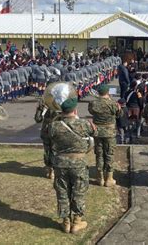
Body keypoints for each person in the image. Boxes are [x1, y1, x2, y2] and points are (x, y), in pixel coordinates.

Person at [48, 97, 96, 234]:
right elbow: (94, 133)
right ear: (75, 110)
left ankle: (66, 222)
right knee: (79, 191)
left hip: (60, 163)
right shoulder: (84, 124)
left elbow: (49, 136)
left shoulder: (54, 125)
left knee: (62, 192)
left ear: (61, 111)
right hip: (79, 164)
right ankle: (77, 222)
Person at [88, 84, 122, 187]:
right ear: (108, 92)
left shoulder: (93, 103)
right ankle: (109, 178)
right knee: (109, 154)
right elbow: (120, 115)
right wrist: (119, 109)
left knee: (99, 154)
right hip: (109, 132)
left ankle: (100, 177)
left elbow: (91, 111)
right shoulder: (113, 104)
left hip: (97, 131)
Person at [34, 98, 60, 179]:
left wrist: (39, 109)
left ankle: (49, 169)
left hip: (46, 130)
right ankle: (54, 169)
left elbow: (38, 119)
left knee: (47, 150)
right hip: (56, 130)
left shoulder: (43, 103)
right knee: (56, 150)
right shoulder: (60, 101)